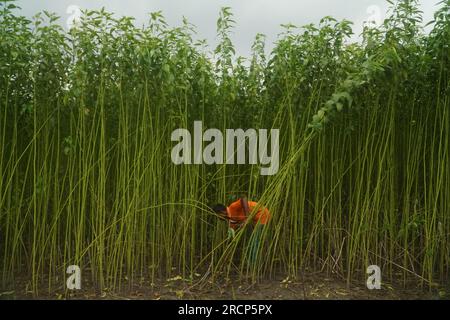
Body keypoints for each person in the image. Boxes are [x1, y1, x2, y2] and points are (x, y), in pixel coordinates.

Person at [212, 197, 270, 264]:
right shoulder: (231, 220)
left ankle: (254, 264)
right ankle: (258, 262)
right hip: (254, 220)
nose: (218, 218)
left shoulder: (232, 207)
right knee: (253, 241)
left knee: (254, 242)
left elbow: (243, 199)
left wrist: (247, 217)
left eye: (218, 215)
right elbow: (232, 233)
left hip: (261, 214)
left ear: (222, 212)